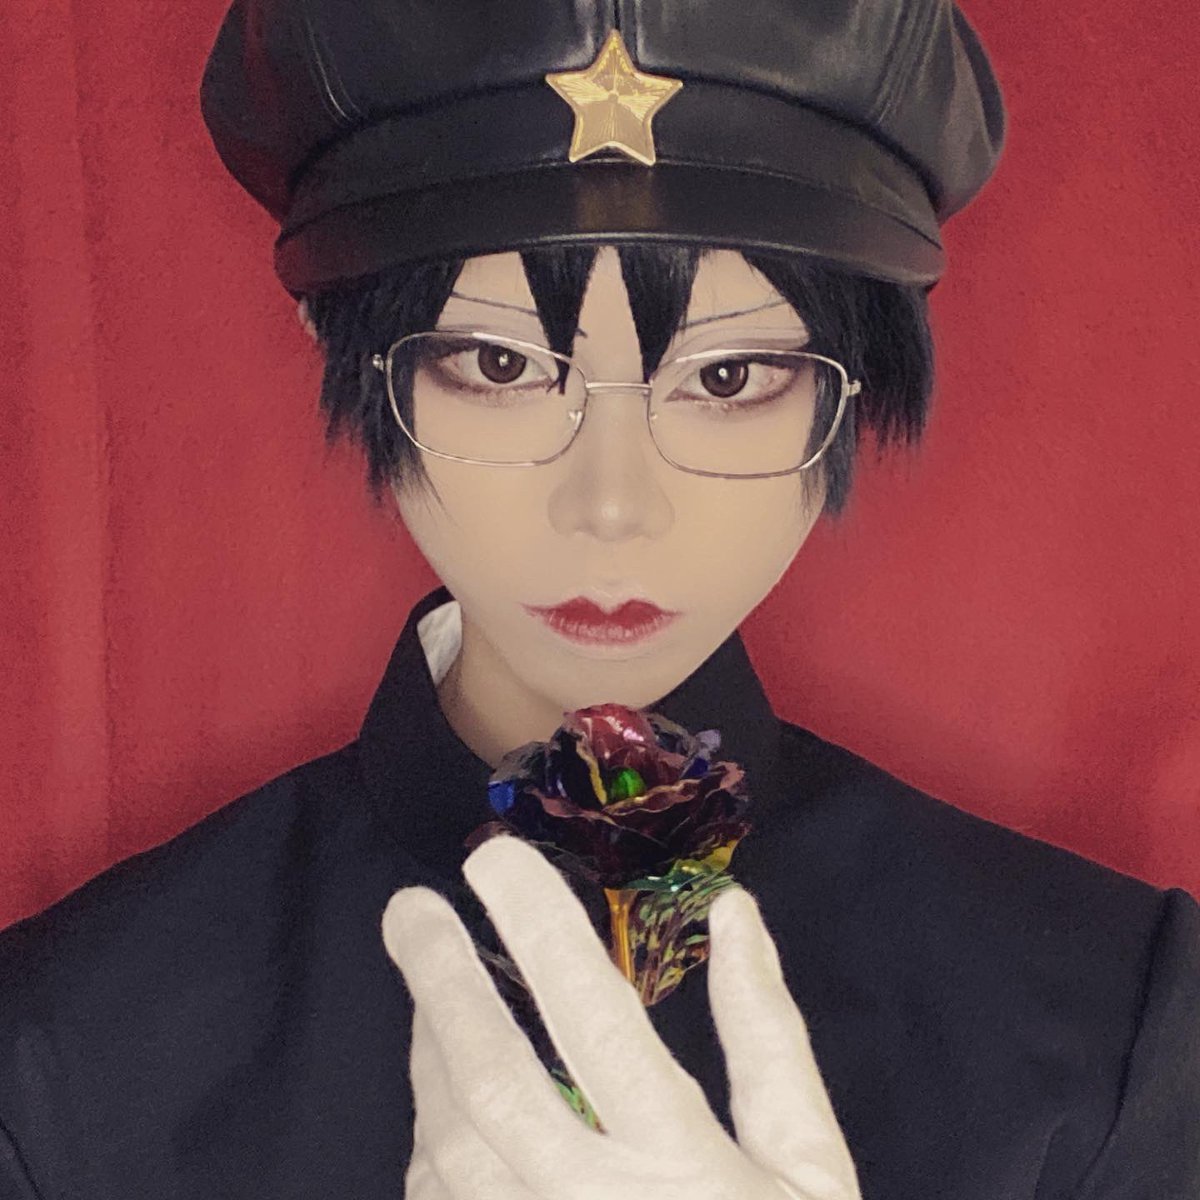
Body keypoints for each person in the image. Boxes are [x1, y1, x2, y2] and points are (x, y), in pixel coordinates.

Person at [1, 1, 1197, 1198]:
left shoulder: (1121, 1034)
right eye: (499, 365)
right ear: (342, 347)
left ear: (854, 386)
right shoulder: (60, 1058)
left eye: (730, 376)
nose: (613, 506)